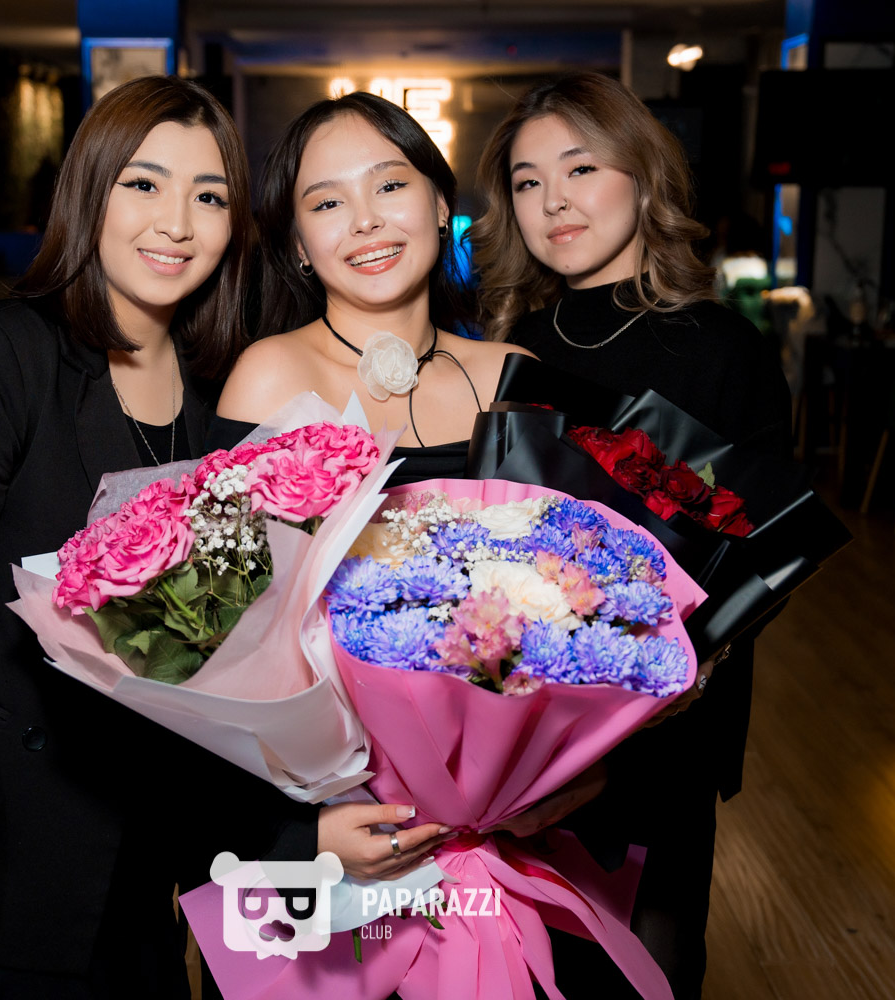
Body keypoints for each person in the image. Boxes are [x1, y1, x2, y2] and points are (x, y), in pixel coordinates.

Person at [0, 75, 295, 998]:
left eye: (209, 198)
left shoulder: (222, 391)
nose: (176, 224)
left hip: (136, 850)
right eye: (143, 184)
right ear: (90, 191)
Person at [470, 72, 792, 1000]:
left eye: (581, 168)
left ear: (644, 176)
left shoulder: (723, 348)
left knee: (646, 974)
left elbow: (758, 558)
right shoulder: (509, 346)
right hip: (520, 743)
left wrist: (626, 731)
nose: (554, 201)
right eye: (528, 181)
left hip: (658, 743)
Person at [214, 91, 534, 483]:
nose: (365, 221)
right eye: (328, 204)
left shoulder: (510, 378)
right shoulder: (270, 380)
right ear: (300, 245)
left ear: (440, 205)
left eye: (389, 186)